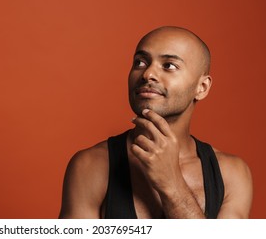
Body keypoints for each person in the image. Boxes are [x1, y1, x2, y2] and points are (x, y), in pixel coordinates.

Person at [59, 26, 253, 219]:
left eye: (169, 65)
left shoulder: (231, 174)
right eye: (140, 62)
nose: (147, 74)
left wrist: (172, 184)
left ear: (201, 88)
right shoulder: (91, 165)